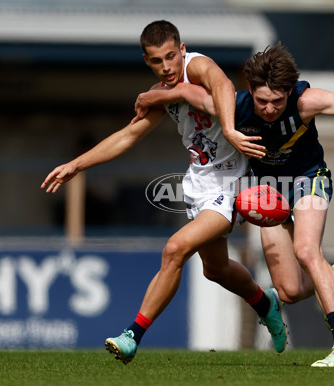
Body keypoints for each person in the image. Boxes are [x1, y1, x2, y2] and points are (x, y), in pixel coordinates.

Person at [133, 42, 334, 368]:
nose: (269, 109)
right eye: (262, 101)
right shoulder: (236, 107)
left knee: (307, 251)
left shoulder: (305, 102)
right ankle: (329, 276)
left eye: (277, 101)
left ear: (289, 92)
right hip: (269, 191)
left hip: (308, 178)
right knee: (288, 291)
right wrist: (148, 97)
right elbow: (188, 94)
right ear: (250, 92)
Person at [40, 21, 288, 365]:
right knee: (214, 270)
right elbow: (127, 136)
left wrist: (227, 128)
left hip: (234, 183)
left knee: (175, 249)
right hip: (199, 186)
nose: (168, 66)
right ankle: (266, 303)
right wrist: (76, 165)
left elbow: (221, 84)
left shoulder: (196, 66)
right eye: (158, 61)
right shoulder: (162, 92)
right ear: (147, 61)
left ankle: (132, 335)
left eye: (172, 56)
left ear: (182, 49)